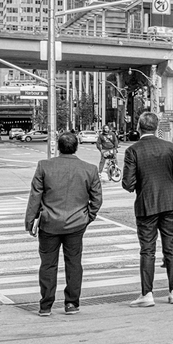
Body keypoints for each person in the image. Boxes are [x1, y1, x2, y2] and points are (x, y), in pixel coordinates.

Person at [25, 130, 103, 317]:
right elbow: (97, 199)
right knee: (74, 263)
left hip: (49, 223)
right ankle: (71, 303)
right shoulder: (90, 169)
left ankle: (46, 305)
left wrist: (30, 220)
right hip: (76, 223)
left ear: (58, 147)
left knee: (48, 264)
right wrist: (87, 217)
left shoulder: (44, 166)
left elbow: (35, 196)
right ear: (76, 147)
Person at [122, 111, 173, 307]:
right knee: (171, 249)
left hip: (146, 205)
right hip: (170, 204)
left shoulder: (133, 151)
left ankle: (147, 294)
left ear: (139, 127)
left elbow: (128, 183)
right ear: (157, 127)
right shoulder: (170, 148)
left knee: (147, 250)